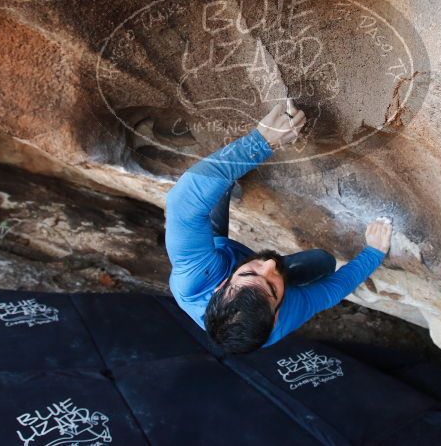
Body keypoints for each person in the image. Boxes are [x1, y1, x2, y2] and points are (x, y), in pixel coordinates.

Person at [165, 99, 393, 354]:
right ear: (275, 316)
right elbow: (331, 291)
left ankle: (229, 182)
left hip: (217, 258)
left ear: (222, 286)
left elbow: (182, 204)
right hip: (231, 268)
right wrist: (374, 252)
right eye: (272, 288)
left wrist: (261, 141)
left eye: (250, 274)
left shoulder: (195, 277)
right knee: (322, 262)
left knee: (211, 202)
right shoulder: (283, 317)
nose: (270, 265)